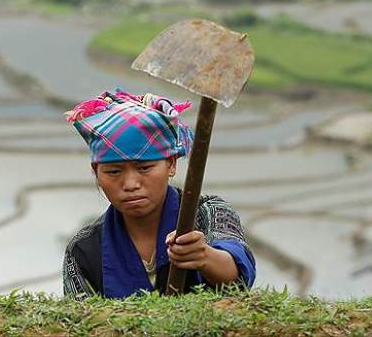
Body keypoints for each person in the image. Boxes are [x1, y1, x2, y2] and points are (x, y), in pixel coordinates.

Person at [62, 89, 256, 299]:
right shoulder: (83, 250)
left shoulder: (208, 213)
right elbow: (82, 319)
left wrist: (204, 256)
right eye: (113, 172)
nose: (130, 184)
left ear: (171, 164)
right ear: (96, 172)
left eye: (145, 168)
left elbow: (239, 274)